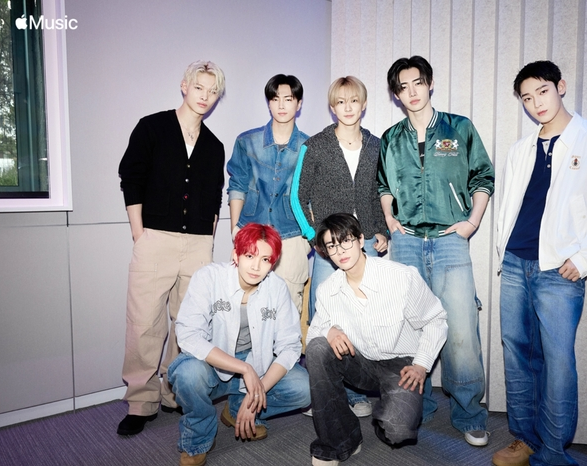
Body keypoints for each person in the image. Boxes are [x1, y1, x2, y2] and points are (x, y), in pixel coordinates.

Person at [494, 60, 587, 466]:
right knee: (517, 354)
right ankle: (525, 439)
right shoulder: (520, 150)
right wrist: (503, 251)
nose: (536, 103)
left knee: (558, 362)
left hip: (559, 271)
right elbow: (510, 209)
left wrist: (585, 259)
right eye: (527, 98)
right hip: (515, 264)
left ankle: (553, 451)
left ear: (560, 87)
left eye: (543, 91)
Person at [377, 55, 495, 446]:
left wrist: (472, 222)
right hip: (407, 242)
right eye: (403, 87)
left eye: (417, 83)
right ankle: (419, 405)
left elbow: (483, 176)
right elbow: (384, 186)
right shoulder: (391, 137)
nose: (412, 92)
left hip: (449, 241)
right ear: (396, 95)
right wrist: (390, 218)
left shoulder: (459, 128)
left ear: (429, 84)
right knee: (410, 328)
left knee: (460, 329)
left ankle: (469, 413)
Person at [117, 60, 226, 436]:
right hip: (155, 239)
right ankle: (141, 401)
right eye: (200, 88)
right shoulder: (152, 127)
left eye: (213, 92)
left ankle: (173, 392)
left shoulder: (214, 145)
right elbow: (131, 177)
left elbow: (214, 196)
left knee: (188, 323)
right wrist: (139, 233)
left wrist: (208, 237)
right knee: (145, 322)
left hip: (198, 245)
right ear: (184, 86)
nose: (206, 97)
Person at [305, 213, 447, 466]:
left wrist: (421, 364)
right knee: (318, 348)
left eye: (345, 241)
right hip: (360, 362)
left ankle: (390, 410)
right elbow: (313, 335)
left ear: (361, 240)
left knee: (397, 430)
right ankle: (340, 441)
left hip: (401, 365)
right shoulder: (327, 290)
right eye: (332, 246)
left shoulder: (400, 276)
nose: (340, 251)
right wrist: (329, 331)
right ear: (326, 252)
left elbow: (435, 319)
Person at [170, 223, 310, 466]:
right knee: (187, 374)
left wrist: (258, 391)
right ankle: (198, 437)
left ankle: (237, 408)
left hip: (258, 364)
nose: (256, 266)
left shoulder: (277, 288)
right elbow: (188, 335)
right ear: (235, 254)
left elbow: (290, 346)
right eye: (250, 256)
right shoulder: (209, 277)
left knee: (304, 388)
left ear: (273, 263)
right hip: (213, 366)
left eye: (265, 259)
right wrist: (245, 369)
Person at [290, 76, 388, 417]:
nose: (348, 108)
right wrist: (315, 237)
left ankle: (357, 390)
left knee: (363, 317)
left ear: (364, 104)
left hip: (366, 244)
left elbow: (378, 193)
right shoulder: (315, 145)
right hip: (328, 248)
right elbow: (297, 196)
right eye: (341, 102)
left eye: (354, 101)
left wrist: (382, 231)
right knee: (325, 317)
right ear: (332, 108)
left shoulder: (376, 145)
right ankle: (328, 392)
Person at [227, 74, 310, 314]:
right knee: (245, 310)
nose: (281, 105)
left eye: (288, 99)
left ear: (299, 103)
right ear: (269, 103)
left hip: (292, 237)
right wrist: (236, 231)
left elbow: (313, 197)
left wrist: (308, 239)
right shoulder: (247, 141)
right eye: (275, 99)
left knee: (287, 312)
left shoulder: (310, 146)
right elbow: (237, 185)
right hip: (251, 232)